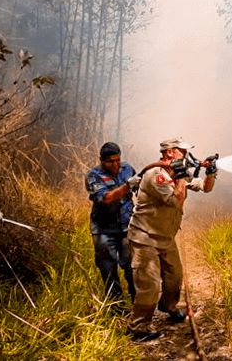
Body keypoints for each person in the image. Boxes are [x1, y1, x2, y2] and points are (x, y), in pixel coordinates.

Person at [127, 137, 217, 341]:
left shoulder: (178, 174)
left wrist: (211, 172)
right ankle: (138, 328)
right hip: (145, 237)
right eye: (181, 151)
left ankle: (168, 306)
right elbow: (176, 202)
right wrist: (179, 177)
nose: (186, 155)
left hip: (166, 237)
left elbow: (206, 186)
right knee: (149, 285)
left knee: (175, 278)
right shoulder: (155, 176)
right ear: (169, 152)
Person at [85, 142, 137, 307]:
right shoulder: (94, 175)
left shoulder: (128, 169)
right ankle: (117, 311)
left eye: (117, 160)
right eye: (110, 161)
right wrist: (127, 186)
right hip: (103, 230)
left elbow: (142, 192)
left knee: (133, 268)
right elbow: (106, 198)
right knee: (108, 271)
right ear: (101, 160)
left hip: (127, 227)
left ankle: (139, 308)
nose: (115, 164)